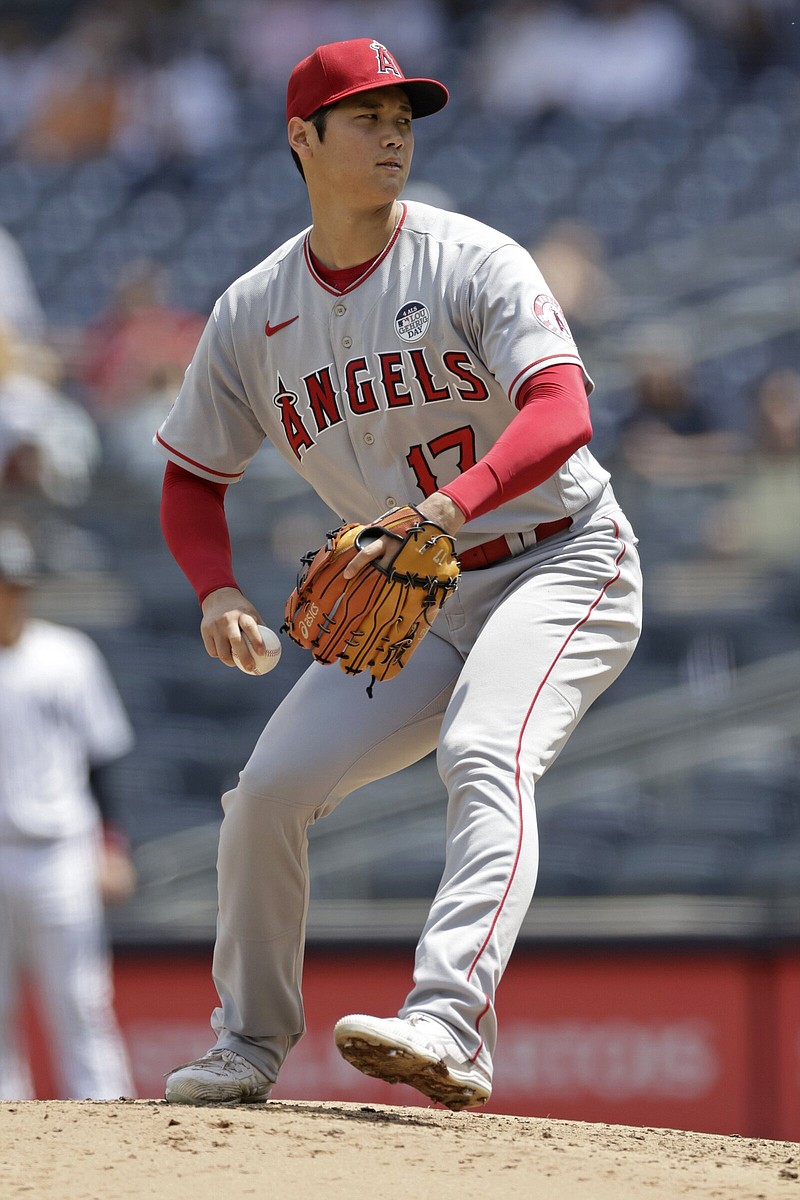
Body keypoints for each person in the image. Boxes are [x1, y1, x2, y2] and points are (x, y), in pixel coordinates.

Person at [156, 37, 643, 1111]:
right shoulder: (254, 312)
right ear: (302, 138)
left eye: (404, 118)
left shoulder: (471, 258)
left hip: (558, 560)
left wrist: (440, 508)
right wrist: (217, 591)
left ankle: (447, 1022)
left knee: (483, 748)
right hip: (417, 595)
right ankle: (244, 1043)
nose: (392, 135)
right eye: (367, 117)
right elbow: (191, 479)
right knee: (265, 797)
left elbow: (561, 410)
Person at [0, 522, 137, 1100]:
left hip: (60, 848)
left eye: (14, 584)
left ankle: (106, 1121)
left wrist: (110, 846)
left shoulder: (67, 654)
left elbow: (103, 761)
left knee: (80, 998)